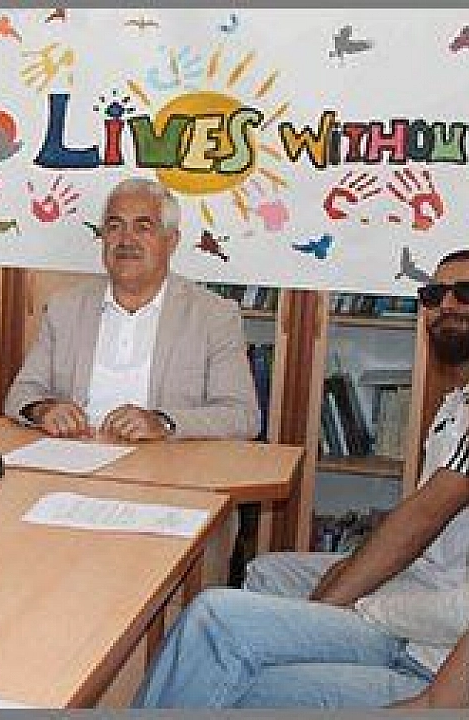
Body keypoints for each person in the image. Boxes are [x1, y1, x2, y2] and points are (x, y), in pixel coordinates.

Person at [134, 249, 469, 709]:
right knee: (265, 574)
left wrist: (341, 608)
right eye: (434, 295)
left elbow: (420, 522)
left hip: (428, 641)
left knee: (216, 627)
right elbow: (409, 530)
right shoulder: (457, 401)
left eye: (464, 293)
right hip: (425, 588)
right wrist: (335, 591)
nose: (447, 305)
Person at [3, 177, 259, 441]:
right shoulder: (64, 308)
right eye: (115, 227)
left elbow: (242, 416)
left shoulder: (214, 316)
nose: (126, 239)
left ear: (171, 241)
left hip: (165, 460)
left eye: (143, 227)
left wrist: (164, 423)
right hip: (73, 452)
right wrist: (43, 410)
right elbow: (21, 394)